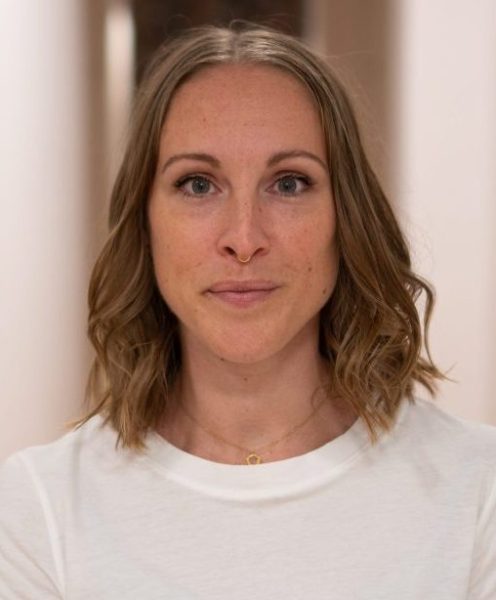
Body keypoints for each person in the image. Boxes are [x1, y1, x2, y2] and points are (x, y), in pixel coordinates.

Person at [0, 22, 495, 599]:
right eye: (197, 185)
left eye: (289, 184)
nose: (244, 238)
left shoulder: (478, 493)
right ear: (144, 221)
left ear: (346, 218)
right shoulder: (39, 511)